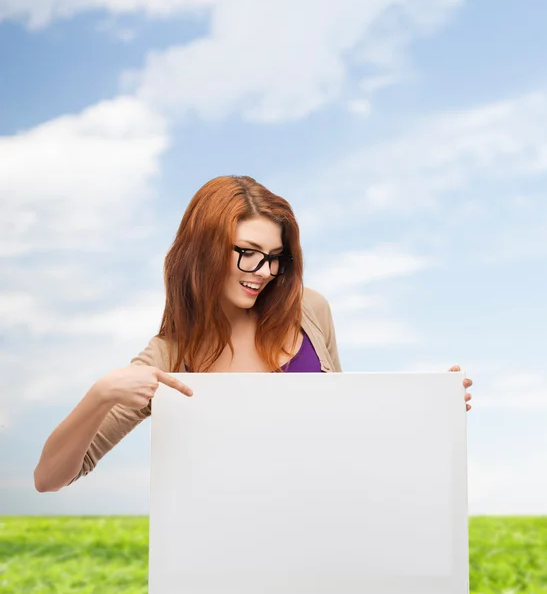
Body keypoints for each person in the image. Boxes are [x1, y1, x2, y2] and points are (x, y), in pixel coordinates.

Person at [33, 175, 473, 493]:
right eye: (248, 253)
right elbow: (50, 479)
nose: (264, 273)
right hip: (227, 558)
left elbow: (344, 431)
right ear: (201, 251)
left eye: (276, 257)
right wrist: (102, 393)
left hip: (324, 539)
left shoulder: (309, 311)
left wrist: (427, 407)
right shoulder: (170, 355)